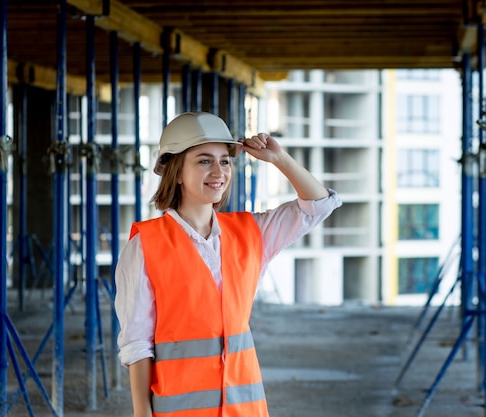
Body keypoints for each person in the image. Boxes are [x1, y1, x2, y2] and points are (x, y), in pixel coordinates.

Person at [114, 111, 341, 417]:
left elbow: (319, 205)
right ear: (176, 171)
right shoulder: (145, 246)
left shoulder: (251, 232)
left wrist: (280, 159)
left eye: (225, 160)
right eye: (204, 160)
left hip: (244, 409)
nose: (218, 171)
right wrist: (141, 413)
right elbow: (137, 342)